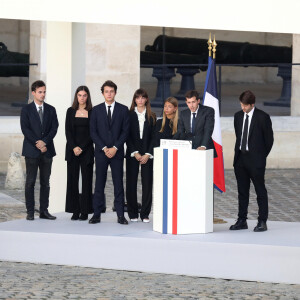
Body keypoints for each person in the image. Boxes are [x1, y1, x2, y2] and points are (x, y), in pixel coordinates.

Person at [230, 90, 273, 232]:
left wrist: (260, 157)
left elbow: (269, 140)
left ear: (252, 104)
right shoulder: (237, 116)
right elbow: (238, 136)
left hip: (256, 160)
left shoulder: (263, 117)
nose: (243, 108)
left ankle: (262, 221)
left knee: (260, 190)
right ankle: (242, 220)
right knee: (242, 191)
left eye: (246, 105)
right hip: (240, 159)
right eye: (242, 104)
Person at [89, 80, 129, 225]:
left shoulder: (123, 110)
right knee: (99, 184)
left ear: (115, 93)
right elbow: (93, 132)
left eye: (111, 91)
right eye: (106, 91)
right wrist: (105, 148)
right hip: (101, 153)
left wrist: (115, 148)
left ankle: (120, 215)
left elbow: (125, 131)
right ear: (102, 93)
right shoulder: (96, 110)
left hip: (117, 153)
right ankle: (96, 214)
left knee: (118, 184)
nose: (109, 94)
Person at [20, 80, 58, 221]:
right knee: (30, 182)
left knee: (45, 182)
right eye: (40, 92)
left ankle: (44, 211)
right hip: (31, 150)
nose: (43, 94)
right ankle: (30, 211)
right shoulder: (26, 110)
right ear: (33, 93)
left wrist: (45, 142)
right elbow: (25, 129)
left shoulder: (51, 109)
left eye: (44, 92)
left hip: (47, 151)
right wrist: (38, 143)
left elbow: (54, 128)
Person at [126, 88, 156, 223]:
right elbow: (126, 135)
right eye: (137, 98)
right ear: (134, 100)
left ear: (146, 99)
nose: (140, 100)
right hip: (133, 153)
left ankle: (145, 213)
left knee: (147, 183)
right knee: (131, 183)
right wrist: (135, 152)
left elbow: (154, 137)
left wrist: (148, 154)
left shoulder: (152, 115)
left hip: (147, 154)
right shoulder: (128, 115)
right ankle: (132, 213)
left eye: (143, 98)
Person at [65, 86, 94, 221]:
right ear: (76, 97)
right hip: (72, 151)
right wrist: (74, 147)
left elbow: (92, 133)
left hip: (87, 150)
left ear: (87, 97)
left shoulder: (92, 112)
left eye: (84, 95)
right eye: (79, 95)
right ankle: (75, 210)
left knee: (87, 181)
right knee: (73, 181)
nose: (82, 98)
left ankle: (85, 211)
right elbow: (68, 132)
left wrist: (81, 147)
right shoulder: (70, 111)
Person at [174, 90, 216, 155]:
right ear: (186, 102)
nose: (191, 105)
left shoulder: (208, 111)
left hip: (204, 148)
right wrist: (172, 142)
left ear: (198, 101)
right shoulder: (183, 113)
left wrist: (203, 146)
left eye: (193, 102)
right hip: (188, 149)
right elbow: (180, 132)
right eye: (189, 102)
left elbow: (208, 130)